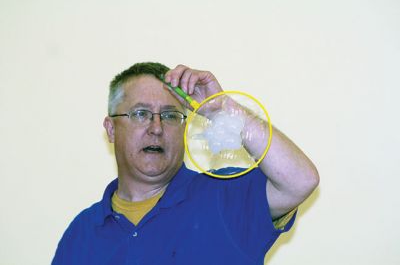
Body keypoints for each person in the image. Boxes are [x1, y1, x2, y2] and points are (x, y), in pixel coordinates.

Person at [52, 62, 319, 265]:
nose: (156, 128)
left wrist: (224, 110)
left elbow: (300, 181)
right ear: (111, 129)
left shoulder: (224, 195)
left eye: (169, 115)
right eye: (141, 114)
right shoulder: (82, 233)